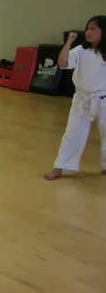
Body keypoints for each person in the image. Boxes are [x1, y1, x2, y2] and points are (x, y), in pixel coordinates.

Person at [44, 16, 106, 181]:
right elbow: (63, 63)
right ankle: (60, 167)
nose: (88, 32)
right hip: (82, 99)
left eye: (93, 29)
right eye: (87, 28)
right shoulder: (80, 50)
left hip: (104, 99)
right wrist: (69, 42)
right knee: (72, 133)